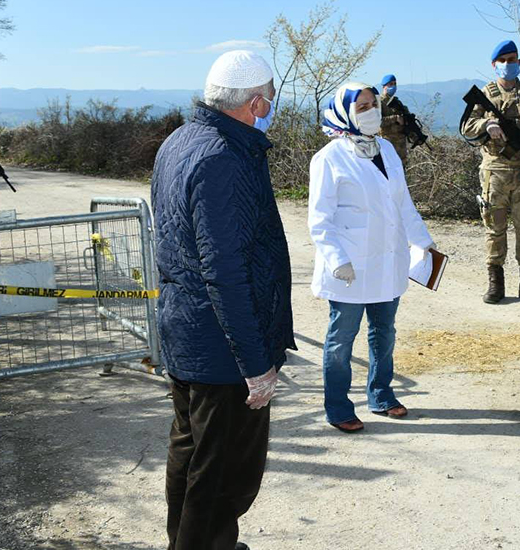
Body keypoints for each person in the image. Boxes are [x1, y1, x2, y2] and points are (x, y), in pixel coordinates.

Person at [151, 50, 294, 550]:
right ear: (254, 102)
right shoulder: (224, 159)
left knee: (190, 455)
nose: (270, 107)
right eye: (270, 99)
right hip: (222, 347)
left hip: (188, 332)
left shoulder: (179, 140)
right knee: (223, 473)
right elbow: (226, 272)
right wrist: (256, 364)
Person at [308, 82, 435, 433]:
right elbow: (319, 219)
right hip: (349, 267)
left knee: (384, 332)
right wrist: (336, 259)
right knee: (340, 340)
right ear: (345, 112)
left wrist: (422, 242)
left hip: (386, 261)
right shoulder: (328, 158)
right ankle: (337, 406)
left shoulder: (387, 150)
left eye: (373, 104)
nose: (371, 111)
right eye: (361, 106)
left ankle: (381, 394)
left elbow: (403, 203)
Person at [460, 40, 520, 304]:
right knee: (495, 228)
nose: (508, 64)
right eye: (502, 60)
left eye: (512, 59)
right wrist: (487, 123)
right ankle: (495, 283)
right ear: (494, 65)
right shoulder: (486, 94)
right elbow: (467, 127)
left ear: (519, 63)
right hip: (495, 171)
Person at [378, 73, 413, 165]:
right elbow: (378, 122)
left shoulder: (397, 102)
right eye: (390, 84)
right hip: (388, 143)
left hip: (401, 145)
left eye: (395, 84)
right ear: (384, 86)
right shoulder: (379, 102)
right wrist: (395, 118)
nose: (393, 86)